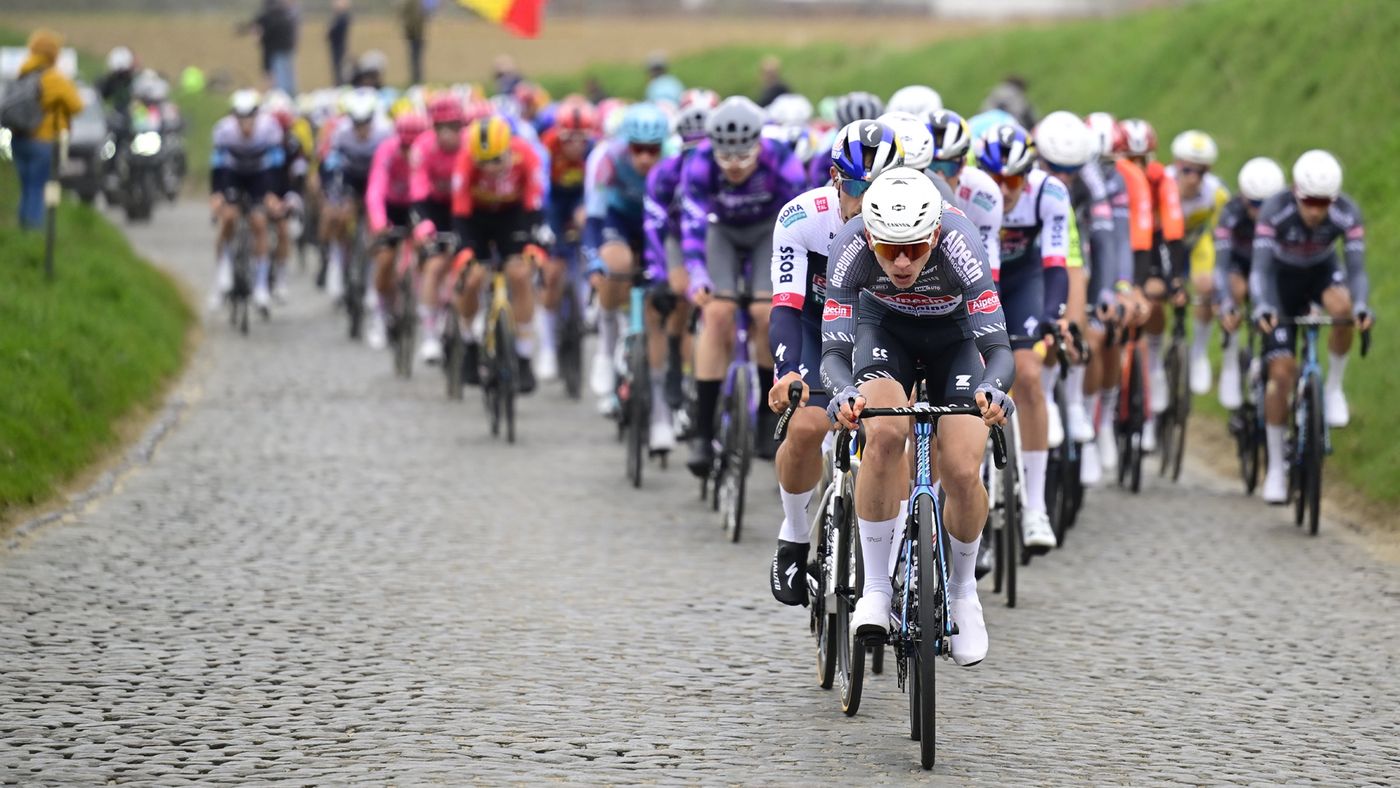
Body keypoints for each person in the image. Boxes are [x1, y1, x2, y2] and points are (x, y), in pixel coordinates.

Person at [820, 168, 1014, 665]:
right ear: (870, 238)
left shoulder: (962, 242)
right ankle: (876, 589)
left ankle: (964, 591)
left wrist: (993, 389)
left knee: (963, 469)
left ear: (935, 235)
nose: (902, 262)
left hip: (955, 338)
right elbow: (834, 354)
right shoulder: (849, 245)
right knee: (885, 434)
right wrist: (843, 393)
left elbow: (998, 348)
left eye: (914, 249)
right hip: (885, 332)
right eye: (889, 250)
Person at [767, 119, 904, 606]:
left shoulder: (909, 220)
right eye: (856, 188)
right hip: (813, 325)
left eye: (877, 189)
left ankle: (893, 557)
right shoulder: (801, 218)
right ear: (834, 178)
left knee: (894, 434)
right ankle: (794, 533)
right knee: (806, 426)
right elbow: (786, 307)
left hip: (879, 329)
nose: (864, 202)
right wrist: (786, 370)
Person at [681, 96, 807, 474]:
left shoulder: (781, 158)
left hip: (769, 231)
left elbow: (799, 220)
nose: (734, 166)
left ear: (758, 145)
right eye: (726, 157)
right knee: (717, 312)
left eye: (743, 156)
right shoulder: (699, 163)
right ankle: (702, 430)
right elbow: (693, 225)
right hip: (721, 231)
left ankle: (768, 416)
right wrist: (697, 274)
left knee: (764, 312)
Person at [1252, 150, 1371, 503]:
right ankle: (1276, 467)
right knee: (1281, 374)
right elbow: (1260, 269)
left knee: (1343, 308)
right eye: (1309, 202)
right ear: (1295, 192)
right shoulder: (1275, 209)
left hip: (1321, 272)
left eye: (1323, 203)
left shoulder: (1347, 212)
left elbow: (1357, 270)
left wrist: (1361, 305)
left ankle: (1333, 388)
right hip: (1281, 282)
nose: (1316, 211)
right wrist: (1263, 305)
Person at [583, 103, 671, 415]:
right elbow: (594, 215)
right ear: (626, 144)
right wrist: (593, 258)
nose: (645, 157)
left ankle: (661, 408)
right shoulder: (606, 157)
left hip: (657, 223)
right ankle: (606, 349)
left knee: (657, 308)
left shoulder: (674, 159)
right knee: (615, 265)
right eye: (637, 149)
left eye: (653, 149)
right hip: (618, 218)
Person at [451, 114, 548, 393]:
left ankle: (524, 356)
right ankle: (469, 343)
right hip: (476, 218)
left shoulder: (526, 155)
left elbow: (534, 203)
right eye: (482, 162)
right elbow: (460, 210)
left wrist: (533, 242)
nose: (490, 168)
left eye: (496, 160)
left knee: (520, 274)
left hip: (513, 216)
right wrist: (465, 249)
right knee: (472, 277)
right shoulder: (465, 160)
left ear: (508, 149)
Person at [1214, 157, 1286, 409]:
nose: (1261, 211)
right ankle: (1230, 361)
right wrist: (1225, 302)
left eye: (1267, 204)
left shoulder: (1287, 213)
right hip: (1240, 265)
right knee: (1236, 288)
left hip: (1271, 267)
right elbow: (1221, 264)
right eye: (1255, 204)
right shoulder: (1231, 213)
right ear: (1243, 198)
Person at [209, 89, 286, 310]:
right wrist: (217, 194)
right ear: (234, 117)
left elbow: (277, 165)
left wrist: (273, 193)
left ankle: (261, 286)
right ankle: (223, 272)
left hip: (260, 176)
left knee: (259, 223)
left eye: (250, 117)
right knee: (228, 217)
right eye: (241, 118)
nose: (246, 123)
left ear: (257, 116)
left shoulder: (269, 129)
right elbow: (217, 166)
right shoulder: (223, 130)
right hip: (233, 174)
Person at [1166, 130, 1229, 395]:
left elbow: (1223, 235)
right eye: (1187, 170)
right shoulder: (1162, 184)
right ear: (1176, 164)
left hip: (1195, 244)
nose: (1193, 178)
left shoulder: (1216, 192)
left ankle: (1199, 352)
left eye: (1200, 172)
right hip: (1166, 245)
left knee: (1206, 286)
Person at [9, 29, 83, 231]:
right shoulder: (53, 78)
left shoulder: (23, 73)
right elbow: (77, 105)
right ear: (53, 52)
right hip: (42, 139)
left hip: (18, 138)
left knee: (26, 186)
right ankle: (34, 231)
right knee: (37, 187)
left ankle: (22, 230)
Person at [400, 0, 428, 86]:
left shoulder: (414, 4)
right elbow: (415, 20)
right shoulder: (416, 4)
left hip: (416, 35)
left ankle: (416, 79)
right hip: (415, 35)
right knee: (415, 59)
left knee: (415, 59)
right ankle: (416, 79)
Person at [327, 0, 351, 86]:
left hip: (339, 47)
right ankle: (339, 84)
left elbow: (333, 32)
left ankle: (341, 85)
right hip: (336, 46)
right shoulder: (338, 18)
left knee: (340, 68)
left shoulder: (342, 18)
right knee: (337, 68)